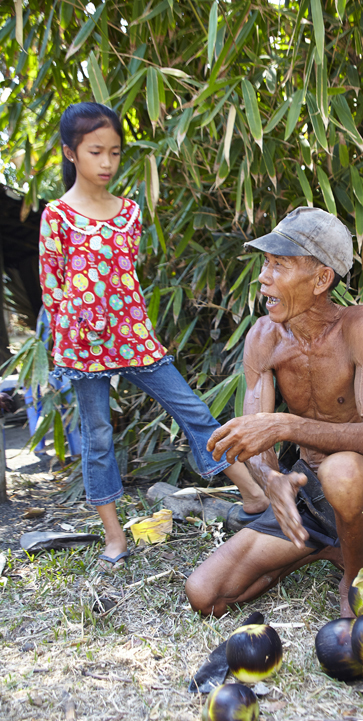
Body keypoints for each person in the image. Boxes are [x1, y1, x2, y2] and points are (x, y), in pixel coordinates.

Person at [38, 102, 267, 568]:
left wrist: (123, 322)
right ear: (70, 153)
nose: (107, 163)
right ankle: (114, 536)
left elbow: (126, 277)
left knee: (193, 409)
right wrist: (80, 327)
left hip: (134, 337)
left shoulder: (128, 213)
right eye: (95, 151)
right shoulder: (57, 216)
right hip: (84, 348)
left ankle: (255, 499)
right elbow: (52, 289)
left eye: (115, 153)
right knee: (99, 436)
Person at [185, 207, 363, 617]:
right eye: (265, 263)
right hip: (309, 495)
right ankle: (325, 548)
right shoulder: (262, 337)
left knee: (341, 472)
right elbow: (257, 441)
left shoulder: (359, 326)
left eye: (279, 265)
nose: (263, 277)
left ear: (322, 279)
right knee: (206, 594)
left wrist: (286, 425)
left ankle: (355, 572)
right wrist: (269, 477)